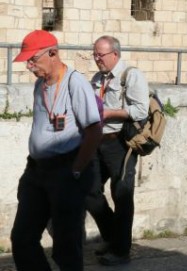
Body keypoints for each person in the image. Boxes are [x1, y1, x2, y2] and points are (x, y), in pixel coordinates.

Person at [10, 30, 102, 271]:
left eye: (33, 59)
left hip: (66, 170)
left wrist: (76, 171)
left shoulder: (75, 82)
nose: (29, 66)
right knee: (22, 238)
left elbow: (94, 131)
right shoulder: (39, 85)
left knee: (66, 245)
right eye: (27, 61)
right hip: (37, 171)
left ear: (52, 53)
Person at [86, 35, 150, 266]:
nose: (97, 59)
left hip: (120, 142)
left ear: (115, 54)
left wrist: (110, 113)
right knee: (88, 191)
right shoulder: (96, 78)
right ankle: (113, 236)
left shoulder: (130, 76)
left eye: (100, 55)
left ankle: (121, 250)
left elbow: (141, 110)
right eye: (94, 54)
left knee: (121, 195)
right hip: (96, 140)